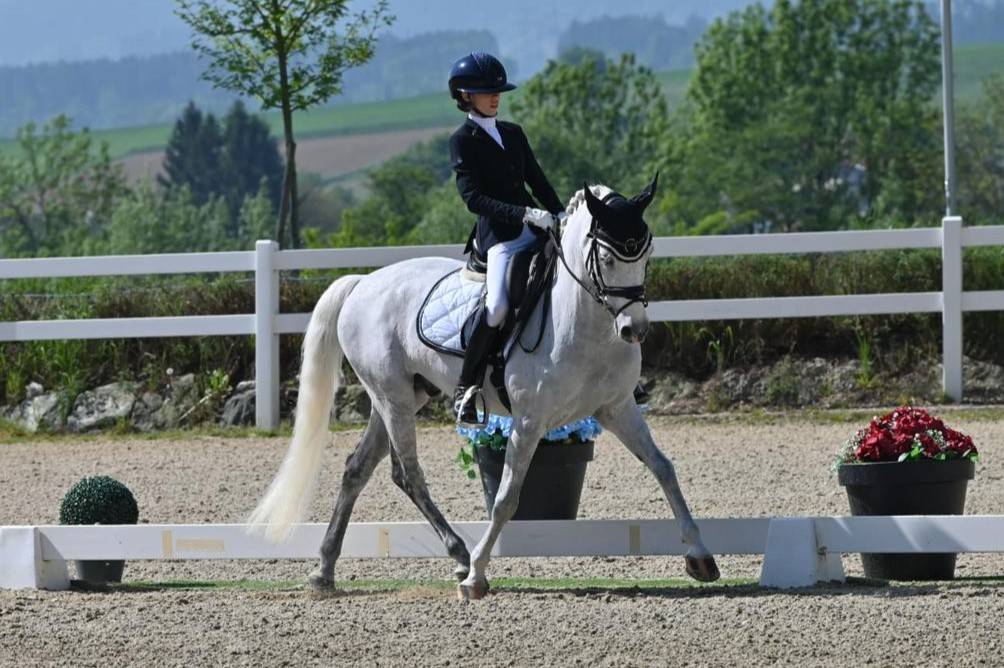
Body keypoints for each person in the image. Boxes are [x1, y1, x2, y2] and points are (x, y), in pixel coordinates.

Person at [447, 51, 566, 425]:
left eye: (498, 90)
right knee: (497, 306)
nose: (495, 96)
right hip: (499, 237)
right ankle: (465, 388)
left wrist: (560, 213)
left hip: (537, 227)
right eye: (486, 91)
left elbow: (538, 180)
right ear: (465, 96)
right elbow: (473, 199)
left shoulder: (513, 133)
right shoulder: (462, 141)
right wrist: (523, 213)